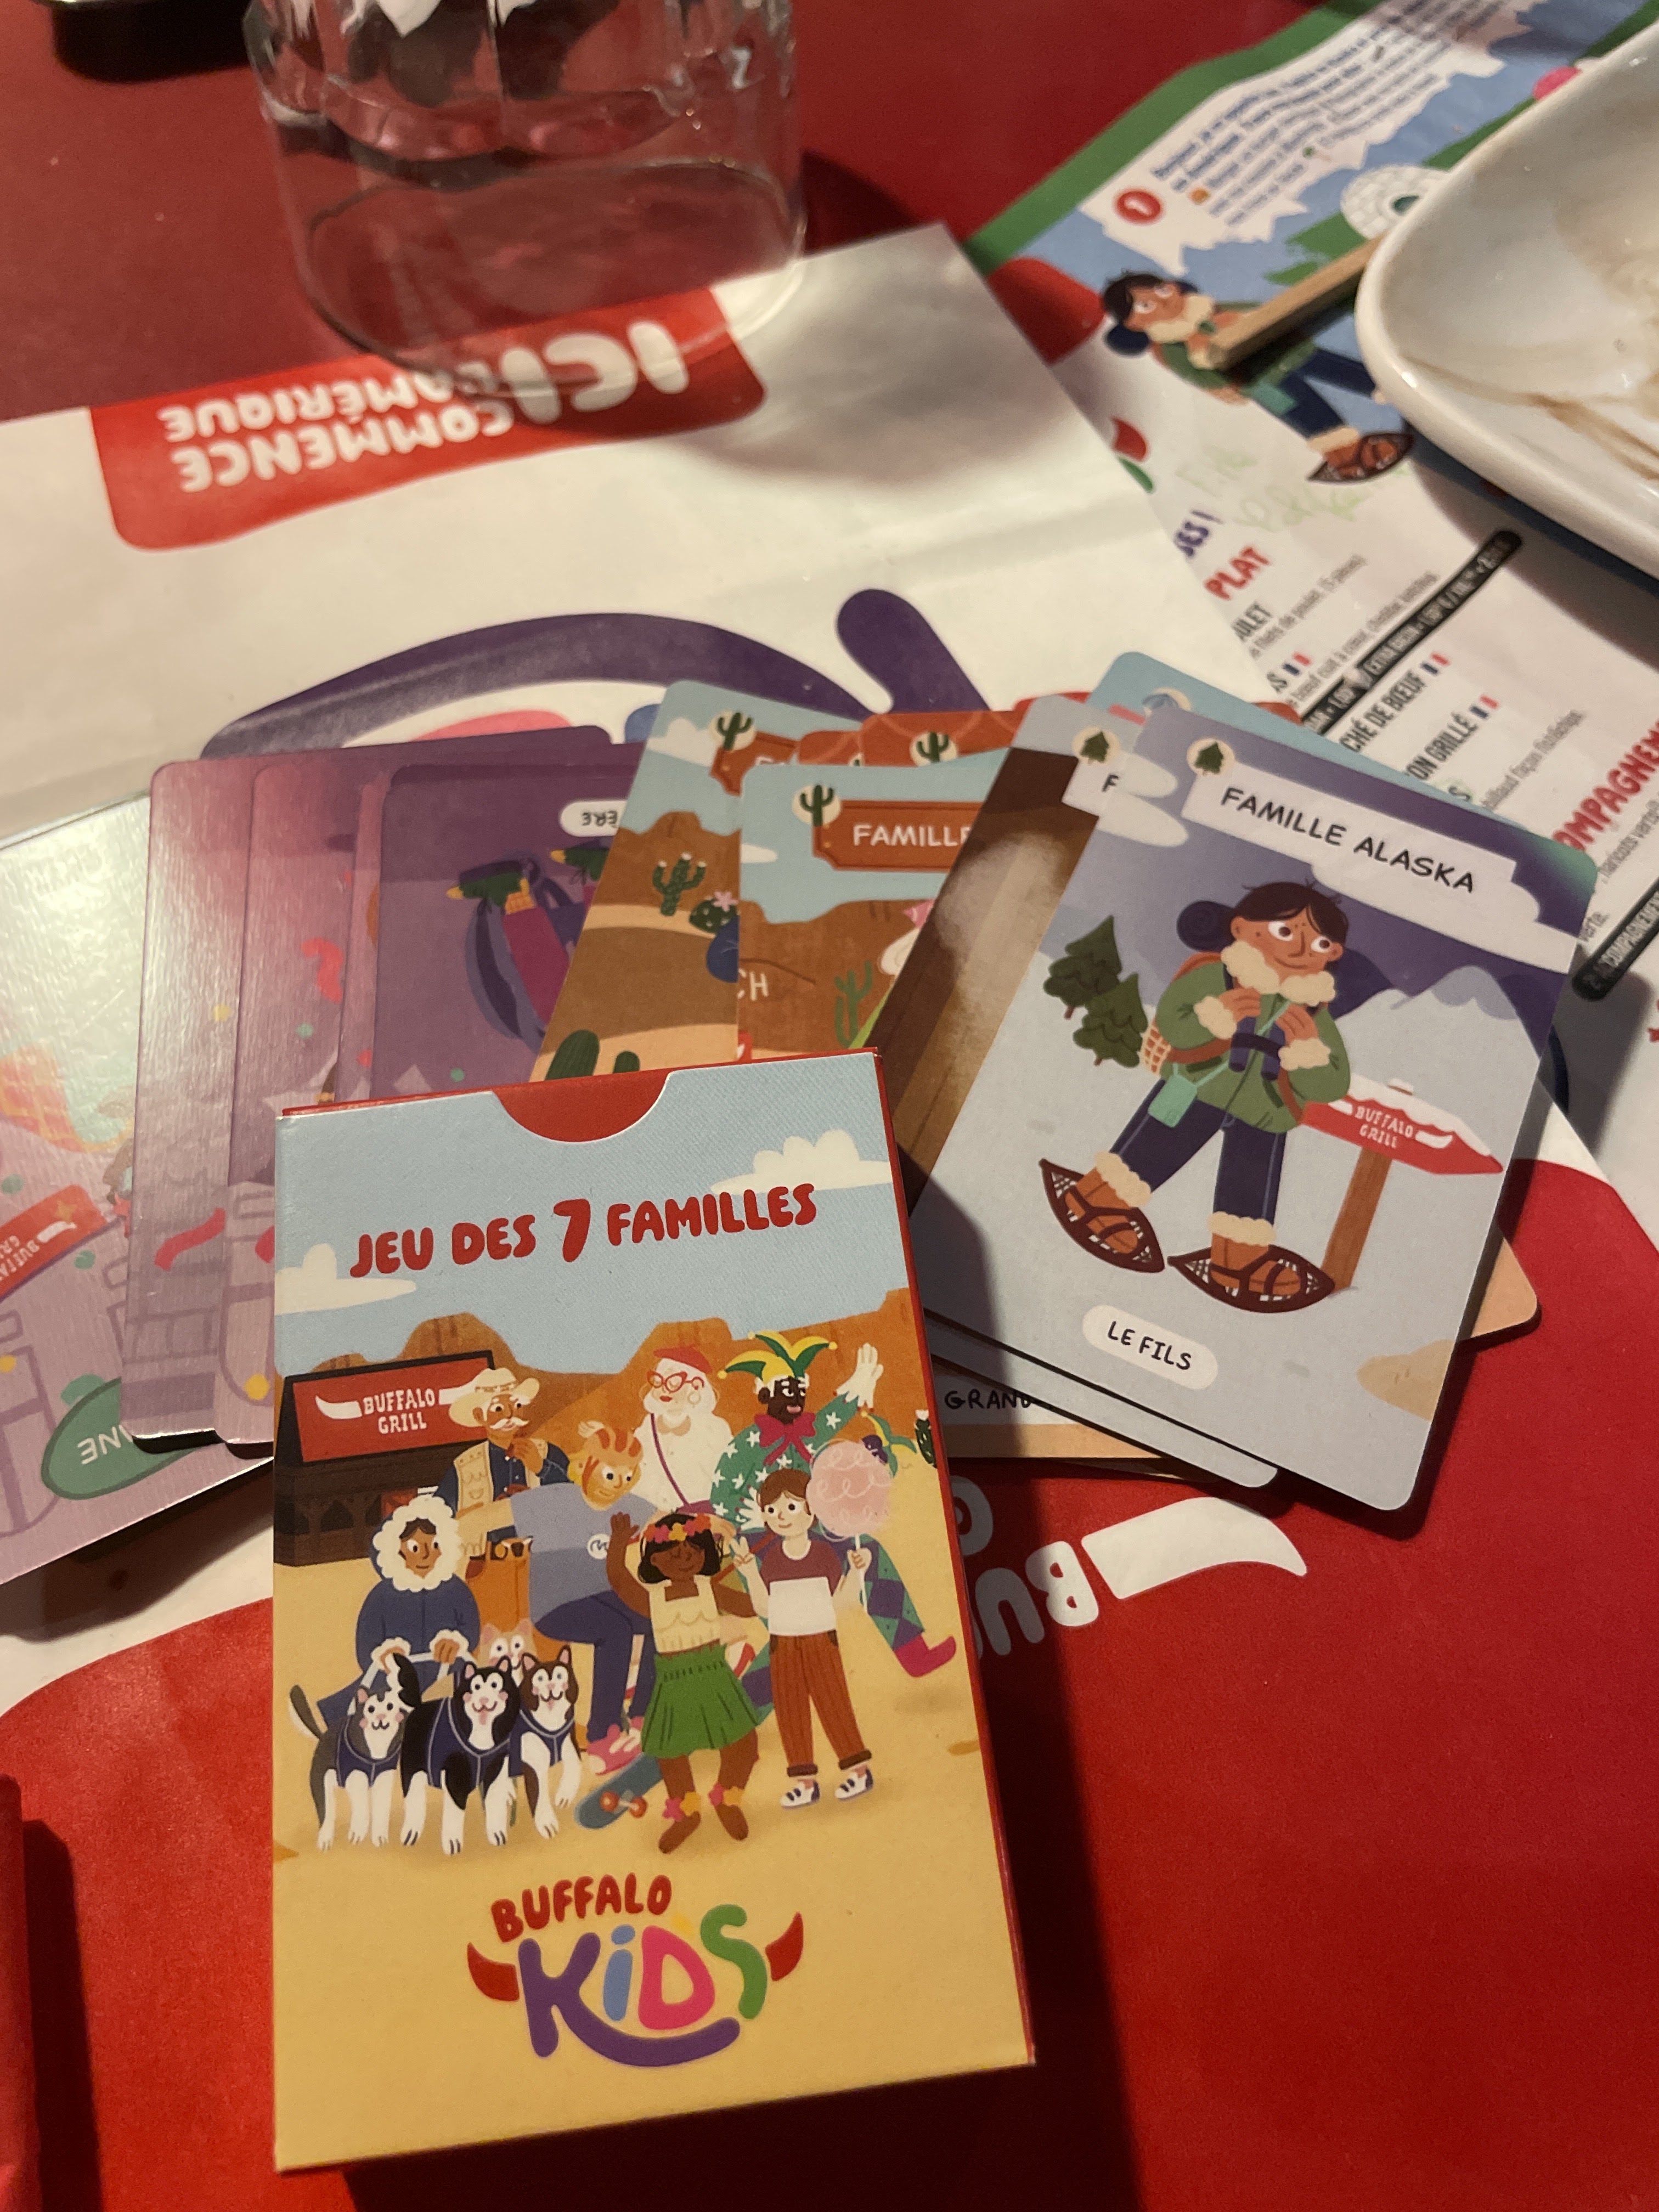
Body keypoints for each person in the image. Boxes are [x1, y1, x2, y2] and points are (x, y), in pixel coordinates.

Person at [1053, 882, 1352, 1311]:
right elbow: (1174, 1023)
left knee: (1247, 1187)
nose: (1302, 950)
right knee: (1150, 1153)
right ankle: (1097, 1201)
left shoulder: (1312, 1014)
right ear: (1241, 928)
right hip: (1196, 1088)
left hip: (1265, 1113)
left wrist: (1308, 1053)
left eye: (1321, 944)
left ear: (1333, 954)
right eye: (1286, 932)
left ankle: (1238, 1260)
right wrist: (1218, 1016)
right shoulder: (1216, 976)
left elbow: (1333, 1085)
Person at [712, 1333, 955, 1681]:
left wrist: (858, 1386)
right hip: (761, 1544)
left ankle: (913, 1652)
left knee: (870, 1553)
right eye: (784, 1391)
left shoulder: (810, 1431)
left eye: (799, 1390)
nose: (794, 1399)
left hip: (812, 1532)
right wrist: (744, 1523)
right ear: (764, 1394)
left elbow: (833, 1416)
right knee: (787, 1633)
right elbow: (722, 1497)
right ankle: (753, 1699)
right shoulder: (746, 1445)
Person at [1102, 273, 1413, 486]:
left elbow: (1261, 312)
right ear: (1134, 323)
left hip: (1291, 351)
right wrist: (1218, 382)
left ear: (1173, 286)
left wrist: (1242, 320)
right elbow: (1197, 374)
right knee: (1312, 416)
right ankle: (1349, 456)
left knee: (1345, 371)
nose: (1164, 302)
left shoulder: (1210, 308)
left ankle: (1399, 390)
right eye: (1146, 305)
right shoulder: (1171, 348)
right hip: (1263, 382)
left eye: (1161, 290)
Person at [605, 1509, 762, 1853]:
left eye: (692, 1550)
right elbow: (620, 1581)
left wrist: (755, 1574)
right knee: (670, 1753)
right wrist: (617, 1545)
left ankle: (728, 1798)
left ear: (705, 1553)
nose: (683, 1557)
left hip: (714, 1677)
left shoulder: (711, 1589)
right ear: (654, 1560)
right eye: (672, 1552)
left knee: (744, 1743)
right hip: (674, 1682)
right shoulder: (653, 1599)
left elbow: (751, 1607)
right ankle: (686, 1812)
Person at [735, 1465, 873, 1810]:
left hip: (819, 1639)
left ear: (812, 1511)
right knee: (790, 1708)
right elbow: (764, 1607)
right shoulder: (772, 1560)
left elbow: (840, 1601)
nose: (781, 1515)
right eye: (771, 1509)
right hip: (783, 1642)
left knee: (833, 1701)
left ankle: (858, 1770)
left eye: (791, 1506)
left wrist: (858, 1572)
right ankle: (804, 1782)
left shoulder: (823, 1555)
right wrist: (750, 1573)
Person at [288, 1495, 478, 1740]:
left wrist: (457, 1642)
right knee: (368, 1688)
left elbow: (471, 1626)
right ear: (397, 1551)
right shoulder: (382, 1595)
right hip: (395, 1674)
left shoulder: (455, 1590)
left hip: (445, 1669)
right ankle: (329, 1724)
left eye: (435, 1546)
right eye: (415, 1548)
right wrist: (385, 1655)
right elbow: (366, 1642)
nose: (425, 1555)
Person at [438, 1366, 569, 1634]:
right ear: (480, 1416)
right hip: (489, 1567)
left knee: (548, 1641)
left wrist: (542, 1469)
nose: (510, 1415)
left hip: (543, 1564)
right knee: (492, 1640)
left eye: (516, 1406)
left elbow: (577, 1502)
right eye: (499, 1409)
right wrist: (476, 1515)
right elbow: (439, 1519)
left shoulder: (548, 1453)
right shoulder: (464, 1465)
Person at [631, 1347, 733, 1514]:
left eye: (674, 1383)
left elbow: (728, 1478)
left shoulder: (715, 1429)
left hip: (701, 1518)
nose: (665, 1389)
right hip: (655, 1518)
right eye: (659, 1381)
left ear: (696, 1386)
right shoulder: (646, 1428)